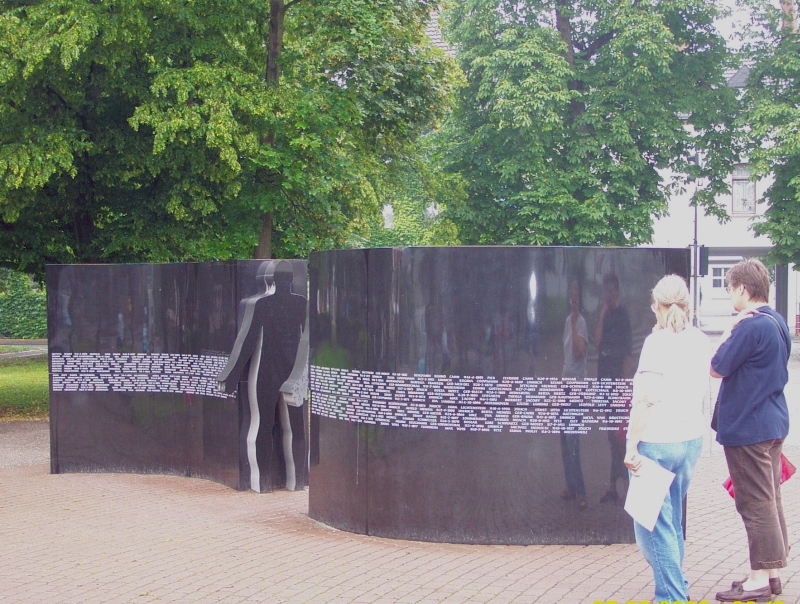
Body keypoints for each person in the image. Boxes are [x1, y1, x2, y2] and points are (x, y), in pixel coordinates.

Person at [624, 275, 710, 604]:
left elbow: (644, 399)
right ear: (686, 305)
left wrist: (632, 446)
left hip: (656, 443)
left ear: (656, 307)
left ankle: (672, 597)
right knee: (671, 521)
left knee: (654, 528)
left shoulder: (654, 344)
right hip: (689, 440)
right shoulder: (701, 340)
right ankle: (677, 585)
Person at [710, 258, 790, 602]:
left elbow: (717, 367)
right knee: (770, 499)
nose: (731, 295)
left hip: (748, 427)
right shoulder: (778, 321)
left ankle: (758, 579)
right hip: (771, 422)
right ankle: (770, 574)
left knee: (755, 503)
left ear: (743, 289)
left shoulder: (750, 325)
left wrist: (729, 330)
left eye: (731, 288)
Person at [596, 272, 633, 503]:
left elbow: (627, 353)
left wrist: (623, 385)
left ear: (616, 291)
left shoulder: (623, 315)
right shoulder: (606, 315)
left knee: (621, 435)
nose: (607, 295)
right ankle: (612, 485)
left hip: (617, 380)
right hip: (604, 380)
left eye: (611, 290)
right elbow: (598, 342)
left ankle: (624, 484)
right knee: (612, 435)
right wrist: (601, 316)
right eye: (605, 291)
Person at [560, 279, 588, 508]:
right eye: (571, 299)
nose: (573, 303)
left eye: (576, 300)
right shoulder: (567, 321)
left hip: (577, 387)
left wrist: (573, 325)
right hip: (564, 384)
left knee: (573, 441)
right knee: (564, 438)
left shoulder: (581, 323)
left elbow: (578, 352)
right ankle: (570, 486)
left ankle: (581, 491)